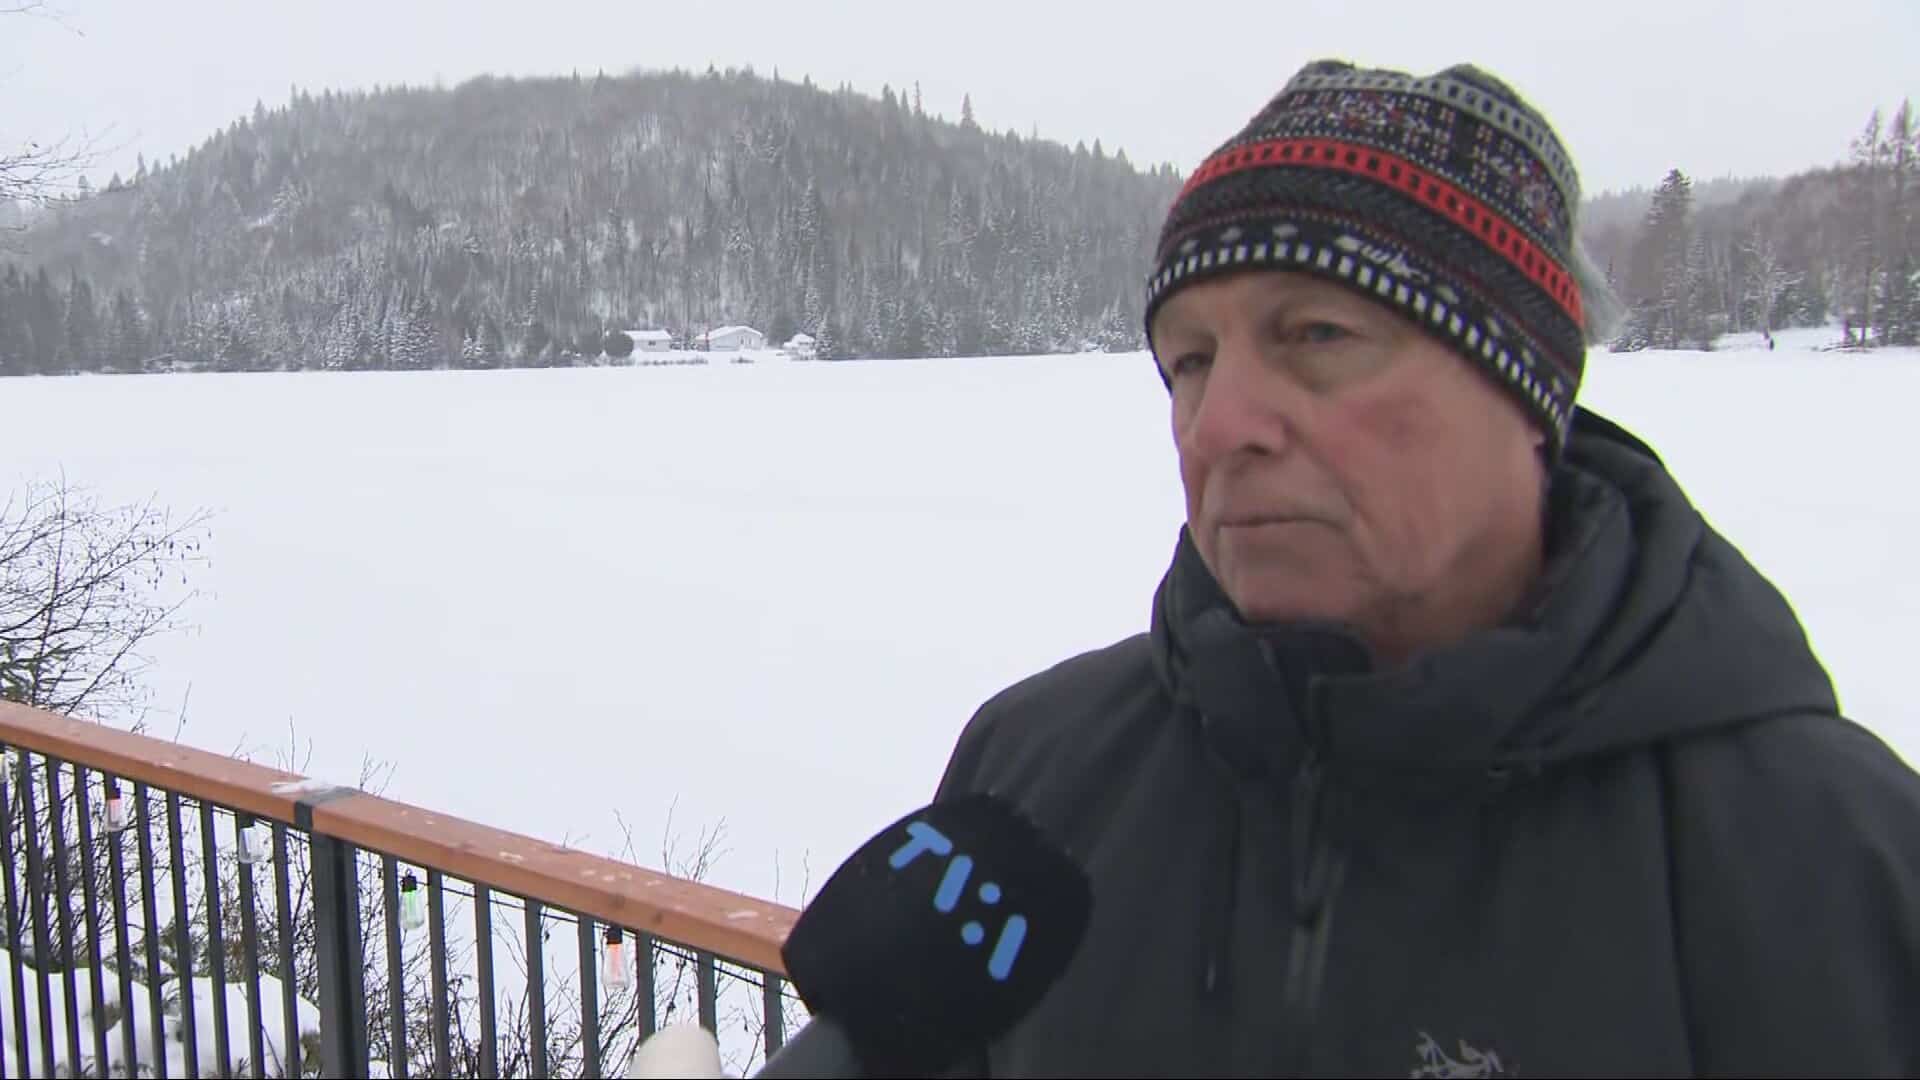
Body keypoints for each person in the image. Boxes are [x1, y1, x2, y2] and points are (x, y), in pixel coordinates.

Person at [634, 58, 1920, 1078]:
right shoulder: (1037, 771)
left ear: (1527, 391)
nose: (1222, 423)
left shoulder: (1827, 860)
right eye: (1188, 361)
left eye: (1317, 334)